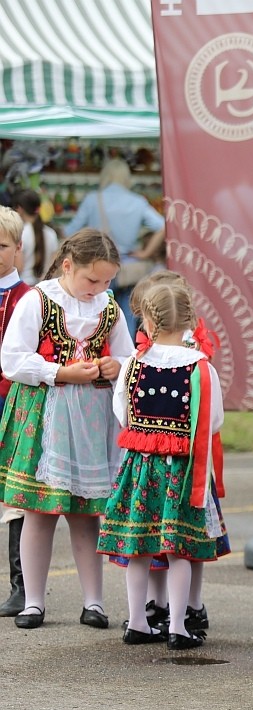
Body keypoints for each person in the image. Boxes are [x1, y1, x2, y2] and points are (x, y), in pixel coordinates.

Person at [0, 228, 133, 630]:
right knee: (40, 511)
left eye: (108, 281)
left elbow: (127, 357)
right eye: (93, 279)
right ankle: (33, 602)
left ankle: (94, 602)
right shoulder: (39, 301)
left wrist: (115, 368)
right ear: (68, 265)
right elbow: (12, 359)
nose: (100, 288)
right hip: (45, 414)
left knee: (85, 515)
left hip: (90, 419)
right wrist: (59, 372)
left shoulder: (108, 308)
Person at [96, 280, 224, 649]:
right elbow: (212, 421)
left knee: (140, 547)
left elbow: (121, 411)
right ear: (189, 320)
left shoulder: (133, 364)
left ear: (148, 321)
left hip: (139, 469)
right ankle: (178, 627)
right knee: (178, 549)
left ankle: (137, 622)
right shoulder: (200, 368)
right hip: (180, 472)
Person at [64, 158, 165, 335]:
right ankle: (127, 356)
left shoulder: (93, 200)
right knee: (128, 314)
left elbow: (69, 231)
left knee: (96, 311)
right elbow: (163, 225)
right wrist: (146, 252)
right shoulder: (138, 201)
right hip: (129, 267)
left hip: (96, 265)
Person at [0, 207, 32, 617]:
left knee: (14, 499)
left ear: (19, 249)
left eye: (1, 246)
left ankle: (21, 586)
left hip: (10, 405)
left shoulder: (26, 298)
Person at [13, 189, 58, 285]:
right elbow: (54, 267)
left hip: (24, 287)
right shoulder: (51, 233)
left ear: (20, 209)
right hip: (45, 288)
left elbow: (18, 267)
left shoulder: (20, 233)